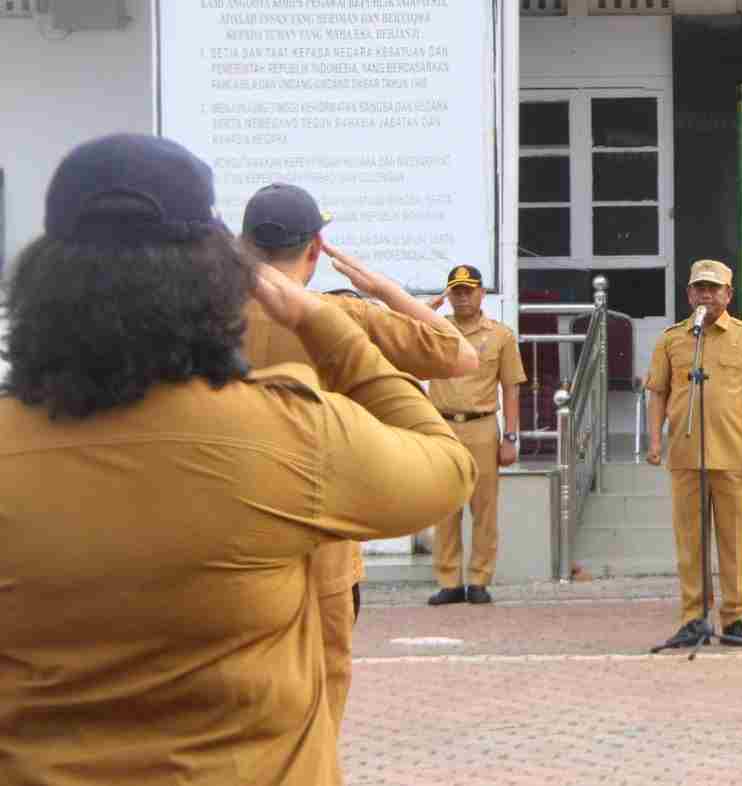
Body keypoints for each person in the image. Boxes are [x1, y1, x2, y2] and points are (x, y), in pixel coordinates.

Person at [0, 133, 476, 785]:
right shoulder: (285, 431)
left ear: (41, 279)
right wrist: (328, 324)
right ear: (211, 276)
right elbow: (447, 467)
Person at [237, 182, 478, 734]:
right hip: (323, 529)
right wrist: (382, 287)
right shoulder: (344, 315)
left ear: (243, 246)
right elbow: (458, 354)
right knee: (323, 687)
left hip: (231, 526)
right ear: (316, 251)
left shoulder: (198, 319)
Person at [645, 259, 742, 647]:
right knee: (690, 541)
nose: (707, 294)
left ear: (729, 294)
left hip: (733, 455)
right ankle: (694, 618)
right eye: (700, 288)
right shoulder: (673, 339)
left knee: (733, 540)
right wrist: (655, 441)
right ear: (689, 294)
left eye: (714, 288)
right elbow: (657, 393)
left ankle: (735, 619)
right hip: (686, 455)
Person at [425, 264, 526, 606]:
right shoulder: (436, 329)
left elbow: (511, 388)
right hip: (441, 426)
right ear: (448, 295)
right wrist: (432, 306)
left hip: (483, 427)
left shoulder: (500, 335)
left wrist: (511, 437)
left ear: (482, 293)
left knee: (484, 509)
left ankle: (480, 578)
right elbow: (406, 328)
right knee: (443, 505)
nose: (463, 297)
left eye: (469, 290)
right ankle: (449, 580)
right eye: (456, 291)